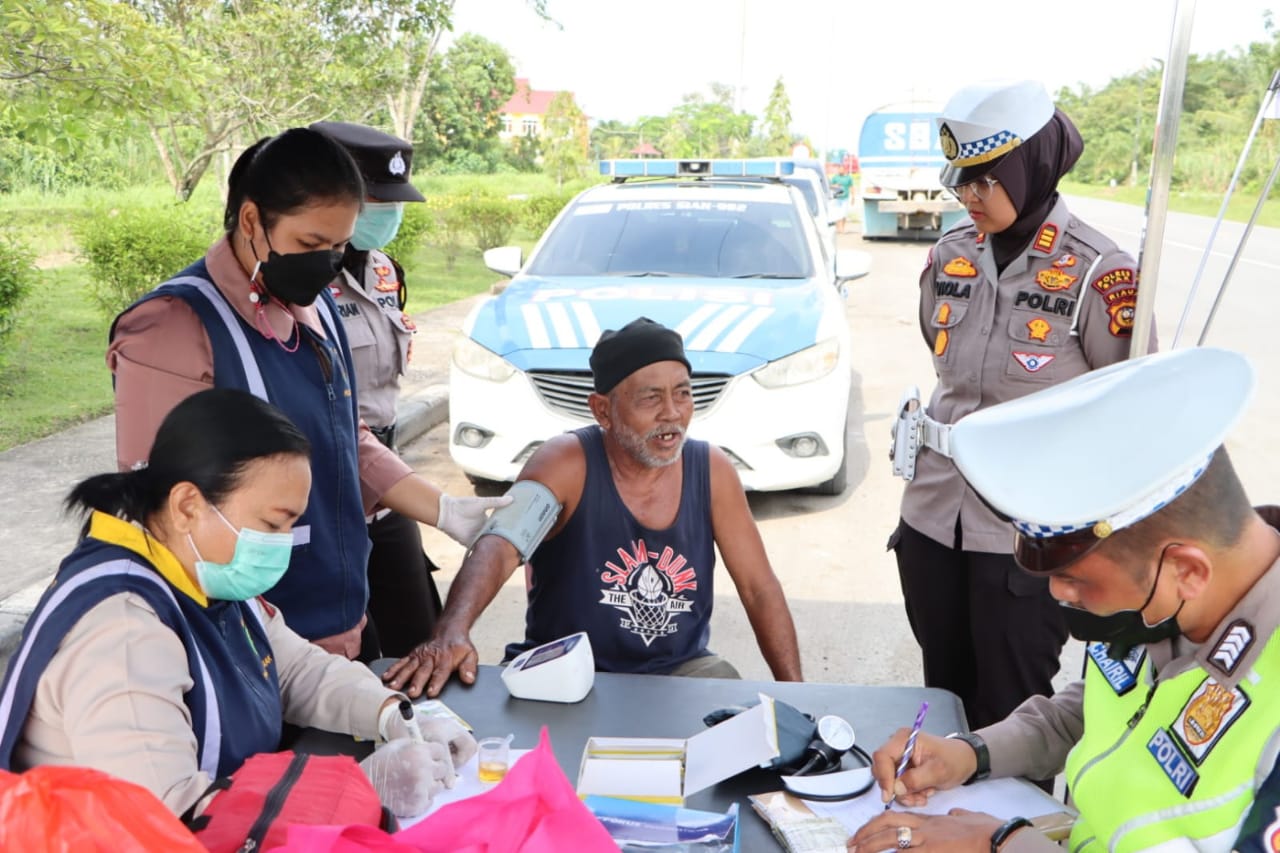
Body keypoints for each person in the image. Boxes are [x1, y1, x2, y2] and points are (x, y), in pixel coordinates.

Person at [850, 347, 1280, 853]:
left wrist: (1003, 844)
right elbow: (1091, 712)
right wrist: (967, 754)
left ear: (1186, 570)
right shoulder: (1170, 603)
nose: (1058, 594)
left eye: (1077, 579)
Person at [107, 127, 507, 659]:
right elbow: (159, 504)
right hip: (245, 641)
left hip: (340, 618)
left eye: (339, 246)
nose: (325, 262)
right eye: (310, 245)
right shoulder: (174, 329)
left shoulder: (314, 311)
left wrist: (442, 509)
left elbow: (345, 438)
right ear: (252, 220)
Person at [0, 389, 475, 817]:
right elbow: (169, 817)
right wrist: (356, 792)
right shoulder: (122, 633)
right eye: (272, 525)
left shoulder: (202, 574)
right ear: (188, 506)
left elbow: (294, 670)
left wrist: (396, 715)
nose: (283, 544)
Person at [889, 79, 1156, 732]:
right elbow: (942, 358)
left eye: (986, 180)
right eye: (961, 180)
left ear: (1029, 167)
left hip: (1025, 541)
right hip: (932, 523)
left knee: (1011, 719)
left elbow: (1136, 407)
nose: (968, 197)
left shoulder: (1100, 271)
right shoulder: (949, 256)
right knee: (946, 711)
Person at [382, 317, 804, 699]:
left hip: (682, 670)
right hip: (566, 670)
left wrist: (800, 695)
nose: (672, 414)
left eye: (683, 394)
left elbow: (758, 588)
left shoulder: (711, 469)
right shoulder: (565, 462)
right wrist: (452, 630)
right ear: (602, 409)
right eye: (650, 398)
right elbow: (501, 545)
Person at [309, 120, 442, 660]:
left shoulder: (384, 271)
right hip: (326, 484)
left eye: (394, 201)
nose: (387, 213)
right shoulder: (302, 279)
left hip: (386, 479)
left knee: (419, 634)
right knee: (347, 646)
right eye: (374, 202)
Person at [830, 164, 853, 235]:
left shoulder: (848, 178)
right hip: (837, 198)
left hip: (845, 198)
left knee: (844, 214)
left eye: (842, 169)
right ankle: (838, 228)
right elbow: (830, 186)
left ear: (844, 170)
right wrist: (835, 186)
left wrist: (853, 197)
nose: (840, 170)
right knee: (837, 214)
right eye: (839, 169)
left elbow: (851, 187)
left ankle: (842, 228)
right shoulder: (835, 177)